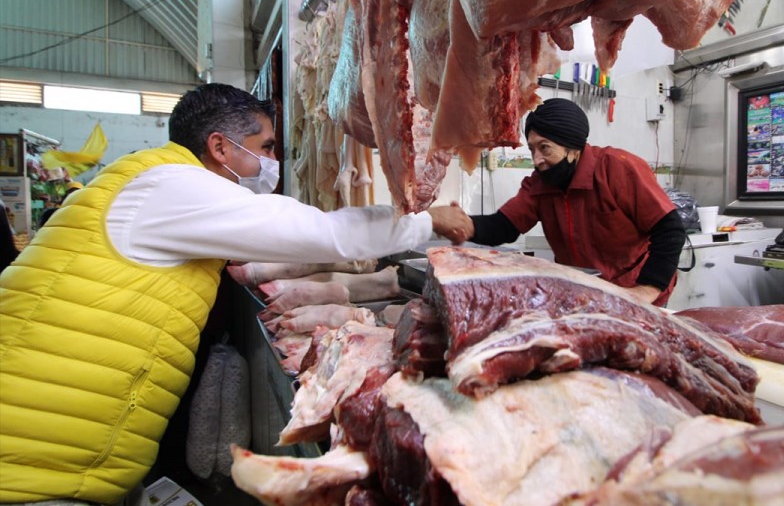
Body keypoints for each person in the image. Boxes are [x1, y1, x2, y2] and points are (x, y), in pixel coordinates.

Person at [0, 83, 470, 505]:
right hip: (35, 456)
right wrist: (425, 222)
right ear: (220, 147)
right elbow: (323, 235)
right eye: (265, 147)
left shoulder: (151, 180)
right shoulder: (176, 187)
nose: (272, 162)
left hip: (46, 438)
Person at [453, 98, 686, 306]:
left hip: (633, 292)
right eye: (532, 149)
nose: (537, 160)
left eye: (545, 148)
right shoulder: (540, 184)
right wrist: (460, 224)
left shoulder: (617, 168)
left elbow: (670, 230)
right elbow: (504, 226)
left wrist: (647, 289)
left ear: (574, 149)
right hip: (583, 294)